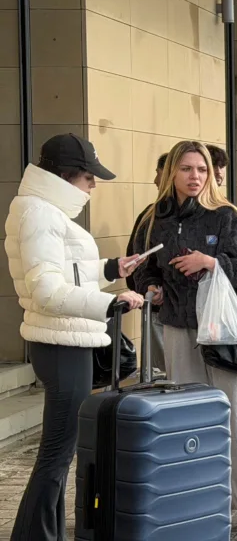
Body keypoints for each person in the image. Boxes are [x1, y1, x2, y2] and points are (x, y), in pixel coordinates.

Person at [132, 140, 237, 536]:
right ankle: (196, 499)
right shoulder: (151, 219)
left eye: (200, 169)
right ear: (171, 174)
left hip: (224, 331)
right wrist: (152, 287)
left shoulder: (226, 216)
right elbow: (140, 267)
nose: (194, 176)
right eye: (185, 169)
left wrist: (210, 262)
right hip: (178, 327)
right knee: (188, 418)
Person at [6, 133, 145, 541]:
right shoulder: (40, 214)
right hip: (61, 343)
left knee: (58, 453)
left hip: (65, 340)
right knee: (55, 455)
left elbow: (65, 273)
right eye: (89, 177)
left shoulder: (43, 210)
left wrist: (110, 269)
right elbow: (47, 292)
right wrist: (111, 304)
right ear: (66, 177)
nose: (93, 185)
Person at [126, 153, 169, 375]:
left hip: (199, 315)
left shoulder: (219, 215)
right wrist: (148, 287)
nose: (155, 180)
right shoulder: (151, 216)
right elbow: (138, 260)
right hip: (159, 308)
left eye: (158, 174)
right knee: (163, 377)